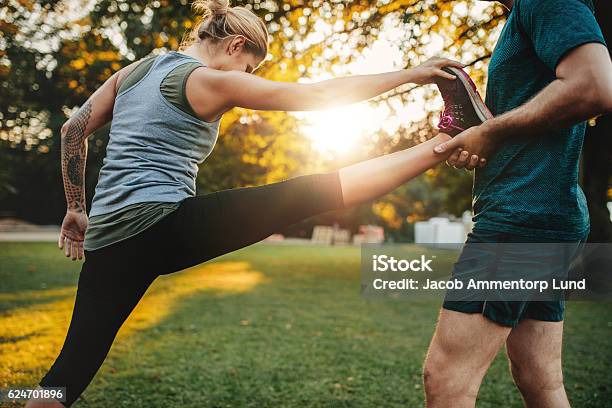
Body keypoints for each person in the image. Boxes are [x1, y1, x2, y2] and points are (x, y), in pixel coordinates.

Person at [26, 0, 469, 406]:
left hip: (108, 238)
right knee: (307, 193)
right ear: (236, 45)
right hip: (160, 223)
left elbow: (72, 130)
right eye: (250, 66)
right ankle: (448, 141)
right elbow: (316, 96)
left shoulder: (134, 71)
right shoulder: (209, 80)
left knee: (70, 370)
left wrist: (76, 208)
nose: (248, 76)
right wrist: (415, 73)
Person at [425, 0, 612, 407]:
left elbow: (594, 84)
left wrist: (490, 134)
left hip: (522, 222)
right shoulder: (524, 14)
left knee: (446, 379)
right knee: (539, 379)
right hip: (545, 217)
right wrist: (480, 134)